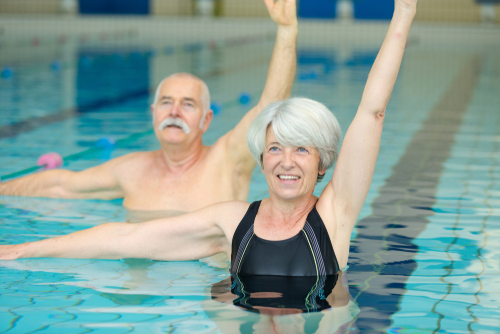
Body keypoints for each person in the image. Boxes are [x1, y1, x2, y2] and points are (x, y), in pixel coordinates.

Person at [0, 0, 418, 311]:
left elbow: (372, 110)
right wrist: (22, 250)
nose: (286, 161)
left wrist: (404, 12)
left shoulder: (334, 216)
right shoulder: (232, 220)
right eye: (275, 148)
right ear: (261, 160)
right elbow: (124, 238)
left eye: (301, 150)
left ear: (322, 163)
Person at [0, 0, 298, 213]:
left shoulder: (228, 161)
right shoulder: (132, 169)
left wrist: (286, 30)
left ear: (206, 120)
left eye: (188, 104)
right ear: (153, 112)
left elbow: (269, 106)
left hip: (210, 288)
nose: (174, 111)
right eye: (166, 102)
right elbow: (61, 185)